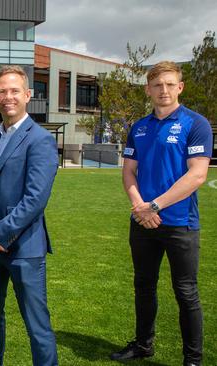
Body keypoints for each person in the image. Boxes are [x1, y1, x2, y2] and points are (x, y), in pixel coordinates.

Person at [111, 61, 212, 366]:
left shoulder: (196, 124)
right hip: (142, 222)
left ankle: (192, 360)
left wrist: (154, 206)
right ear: (148, 89)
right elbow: (128, 172)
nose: (163, 90)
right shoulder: (139, 127)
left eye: (170, 84)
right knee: (143, 285)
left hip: (180, 223)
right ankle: (143, 345)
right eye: (157, 85)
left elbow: (197, 176)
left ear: (180, 87)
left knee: (186, 292)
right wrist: (140, 207)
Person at [0, 65, 59, 366]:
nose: (8, 97)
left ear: (28, 95)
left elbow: (35, 200)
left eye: (15, 90)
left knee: (37, 328)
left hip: (24, 249)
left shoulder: (40, 140)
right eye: (2, 91)